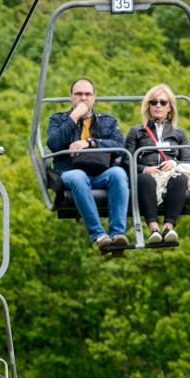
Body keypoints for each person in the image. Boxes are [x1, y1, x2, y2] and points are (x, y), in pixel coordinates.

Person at [46, 77, 130, 251]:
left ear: (94, 97)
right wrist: (74, 116)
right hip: (70, 171)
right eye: (78, 94)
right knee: (78, 177)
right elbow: (53, 143)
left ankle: (117, 234)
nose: (83, 98)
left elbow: (120, 146)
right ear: (71, 97)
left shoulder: (107, 121)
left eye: (87, 94)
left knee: (118, 174)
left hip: (100, 173)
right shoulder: (58, 119)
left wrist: (90, 142)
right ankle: (99, 235)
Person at [124, 84, 190, 244]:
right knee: (144, 179)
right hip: (147, 175)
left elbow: (188, 161)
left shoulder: (179, 133)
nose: (158, 106)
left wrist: (173, 163)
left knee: (180, 179)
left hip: (169, 175)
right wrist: (145, 169)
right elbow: (126, 159)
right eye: (153, 102)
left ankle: (168, 227)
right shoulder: (136, 131)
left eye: (163, 102)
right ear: (147, 106)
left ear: (170, 107)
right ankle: (154, 228)